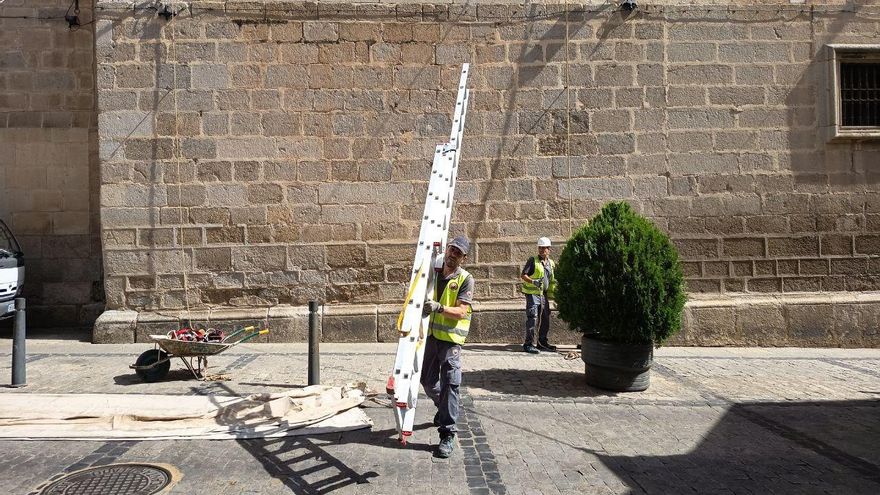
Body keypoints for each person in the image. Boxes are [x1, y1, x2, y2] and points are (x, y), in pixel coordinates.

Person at [421, 235, 474, 459]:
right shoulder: (434, 271)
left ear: (464, 257)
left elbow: (462, 311)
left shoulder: (465, 279)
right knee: (426, 380)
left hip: (451, 339)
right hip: (432, 336)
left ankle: (447, 434)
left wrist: (439, 307)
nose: (453, 254)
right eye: (452, 249)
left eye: (458, 253)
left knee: (451, 384)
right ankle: (443, 408)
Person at [520, 236, 557, 353]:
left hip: (543, 295)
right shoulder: (533, 260)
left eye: (544, 248)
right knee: (533, 318)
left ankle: (542, 342)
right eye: (540, 248)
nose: (542, 250)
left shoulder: (551, 263)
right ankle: (528, 344)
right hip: (532, 294)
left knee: (545, 318)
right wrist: (533, 281)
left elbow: (552, 279)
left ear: (549, 249)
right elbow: (523, 275)